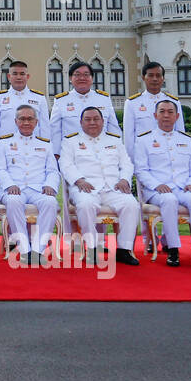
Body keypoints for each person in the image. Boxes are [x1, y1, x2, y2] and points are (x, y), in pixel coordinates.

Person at [58, 107, 139, 266]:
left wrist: (124, 179)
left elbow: (126, 164)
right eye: (88, 119)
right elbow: (65, 165)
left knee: (131, 204)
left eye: (96, 119)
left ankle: (123, 249)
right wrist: (79, 180)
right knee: (86, 205)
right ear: (81, 123)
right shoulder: (70, 141)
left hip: (113, 187)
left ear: (103, 121)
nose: (92, 122)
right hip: (85, 187)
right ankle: (92, 247)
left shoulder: (114, 140)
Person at [133, 99, 191, 267]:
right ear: (155, 115)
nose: (166, 115)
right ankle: (173, 249)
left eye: (170, 112)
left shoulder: (187, 140)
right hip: (157, 190)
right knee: (169, 200)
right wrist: (156, 185)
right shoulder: (144, 140)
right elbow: (141, 170)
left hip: (183, 187)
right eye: (162, 111)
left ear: (177, 116)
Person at [0, 104, 59, 265]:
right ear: (16, 121)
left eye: (30, 119)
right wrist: (9, 185)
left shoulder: (45, 144)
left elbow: (52, 171)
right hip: (14, 188)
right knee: (14, 201)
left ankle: (37, 250)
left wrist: (50, 185)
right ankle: (24, 250)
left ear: (36, 122)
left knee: (50, 202)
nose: (26, 122)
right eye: (22, 119)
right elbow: (0, 169)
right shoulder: (4, 143)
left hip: (38, 189)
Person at [49, 61, 119, 158]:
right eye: (77, 75)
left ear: (92, 78)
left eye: (86, 75)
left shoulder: (103, 99)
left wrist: (116, 150)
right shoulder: (61, 101)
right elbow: (55, 131)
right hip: (72, 155)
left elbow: (113, 128)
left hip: (101, 154)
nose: (82, 78)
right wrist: (56, 154)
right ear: (70, 78)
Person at [0, 60, 49, 163]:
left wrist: (46, 152)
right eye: (15, 74)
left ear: (27, 76)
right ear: (9, 77)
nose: (18, 77)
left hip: (34, 151)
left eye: (22, 74)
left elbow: (45, 128)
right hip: (7, 151)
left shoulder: (39, 98)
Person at [121, 61, 180, 142]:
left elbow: (179, 131)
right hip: (142, 152)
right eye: (151, 75)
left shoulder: (174, 102)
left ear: (163, 79)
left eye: (158, 76)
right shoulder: (132, 103)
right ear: (143, 78)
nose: (155, 79)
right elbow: (128, 135)